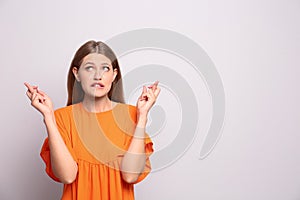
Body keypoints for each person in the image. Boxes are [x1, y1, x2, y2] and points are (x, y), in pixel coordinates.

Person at [24, 40, 160, 200]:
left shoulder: (132, 115)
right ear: (77, 74)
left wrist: (142, 116)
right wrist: (48, 117)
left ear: (114, 75)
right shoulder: (61, 118)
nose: (98, 76)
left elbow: (130, 176)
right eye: (89, 68)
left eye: (105, 68)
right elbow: (67, 177)